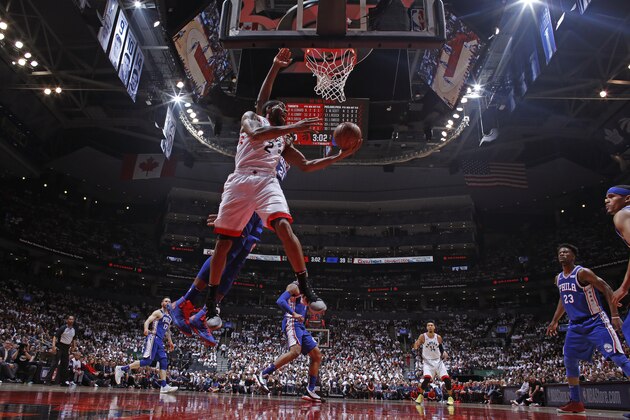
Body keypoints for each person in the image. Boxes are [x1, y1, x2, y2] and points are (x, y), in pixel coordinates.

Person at [204, 48, 361, 328]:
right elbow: (257, 130)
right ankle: (212, 303)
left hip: (266, 181)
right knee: (223, 244)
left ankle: (305, 285)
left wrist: (337, 157)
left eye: (285, 110)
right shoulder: (252, 118)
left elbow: (307, 165)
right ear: (267, 111)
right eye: (279, 108)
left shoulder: (284, 141)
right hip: (240, 179)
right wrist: (275, 67)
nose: (283, 109)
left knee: (284, 227)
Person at [546, 244, 630, 414]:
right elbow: (563, 299)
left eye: (566, 252)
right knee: (569, 359)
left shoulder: (582, 272)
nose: (562, 254)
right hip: (575, 325)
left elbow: (605, 287)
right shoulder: (559, 278)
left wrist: (614, 314)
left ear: (573, 256)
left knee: (618, 357)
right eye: (560, 252)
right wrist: (555, 320)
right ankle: (576, 402)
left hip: (595, 321)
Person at [255, 281, 324, 402]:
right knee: (295, 351)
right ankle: (264, 374)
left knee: (317, 355)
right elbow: (280, 301)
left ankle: (310, 390)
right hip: (292, 321)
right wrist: (294, 313)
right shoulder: (294, 287)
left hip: (301, 326)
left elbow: (310, 307)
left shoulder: (306, 292)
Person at [115, 297, 178, 393]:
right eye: (166, 301)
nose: (167, 302)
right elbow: (148, 321)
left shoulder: (169, 317)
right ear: (162, 303)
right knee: (147, 361)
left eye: (169, 301)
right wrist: (145, 329)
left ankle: (164, 386)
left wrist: (170, 341)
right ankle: (122, 369)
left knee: (164, 361)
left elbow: (167, 330)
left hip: (160, 341)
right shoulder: (158, 312)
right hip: (153, 337)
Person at [412, 322, 454, 406]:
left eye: (431, 325)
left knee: (447, 379)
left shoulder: (438, 337)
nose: (430, 327)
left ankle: (450, 397)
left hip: (438, 361)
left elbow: (441, 347)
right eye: (428, 325)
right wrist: (416, 345)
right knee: (426, 379)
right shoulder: (423, 336)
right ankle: (420, 396)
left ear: (434, 327)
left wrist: (444, 352)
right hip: (427, 362)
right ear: (427, 327)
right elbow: (416, 346)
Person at [607, 186, 630, 335]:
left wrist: (623, 287)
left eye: (611, 196)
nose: (606, 200)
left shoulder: (622, 214)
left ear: (627, 198)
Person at [45, 315, 78, 386]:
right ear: (67, 320)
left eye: (72, 319)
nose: (71, 321)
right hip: (59, 346)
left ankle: (63, 381)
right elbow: (55, 337)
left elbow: (74, 339)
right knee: (54, 364)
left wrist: (74, 347)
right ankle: (47, 380)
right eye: (70, 319)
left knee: (65, 365)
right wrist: (53, 346)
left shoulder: (74, 329)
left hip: (66, 348)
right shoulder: (63, 328)